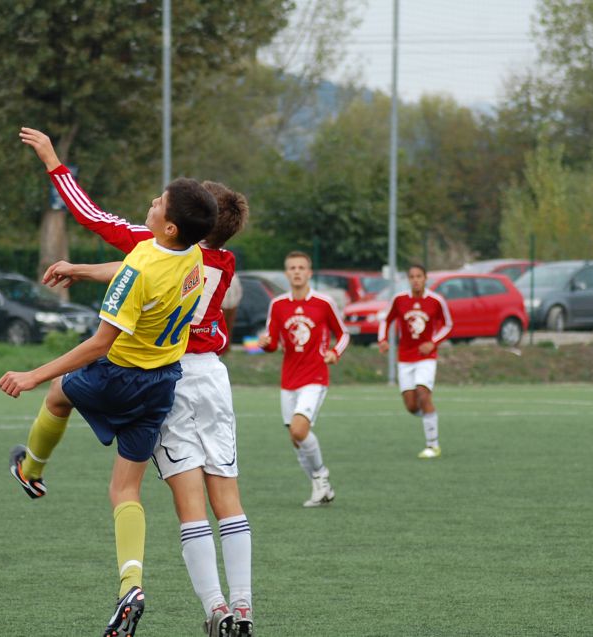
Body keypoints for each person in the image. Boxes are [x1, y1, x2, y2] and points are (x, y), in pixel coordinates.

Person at [21, 126, 254, 637]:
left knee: (184, 502)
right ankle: (243, 610)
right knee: (228, 498)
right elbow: (137, 266)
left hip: (165, 373)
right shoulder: (217, 258)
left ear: (178, 223)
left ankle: (214, 610)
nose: (155, 204)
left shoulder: (154, 247)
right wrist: (82, 270)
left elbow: (93, 218)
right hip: (212, 378)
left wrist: (54, 162)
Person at [257, 251, 349, 507]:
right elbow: (273, 342)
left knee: (300, 429)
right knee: (295, 438)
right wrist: (265, 344)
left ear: (309, 273)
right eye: (292, 268)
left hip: (315, 376)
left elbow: (343, 335)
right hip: (289, 379)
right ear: (287, 273)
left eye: (301, 268)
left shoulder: (323, 303)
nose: (297, 271)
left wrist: (334, 353)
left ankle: (321, 476)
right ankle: (322, 489)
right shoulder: (277, 305)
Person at [377, 264, 453, 459]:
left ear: (426, 278)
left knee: (423, 393)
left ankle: (432, 445)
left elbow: (448, 325)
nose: (416, 280)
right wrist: (383, 339)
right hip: (405, 358)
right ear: (408, 280)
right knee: (411, 405)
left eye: (419, 276)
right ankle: (430, 416)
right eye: (412, 277)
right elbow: (386, 319)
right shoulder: (400, 300)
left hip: (426, 357)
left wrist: (433, 343)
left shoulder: (435, 301)